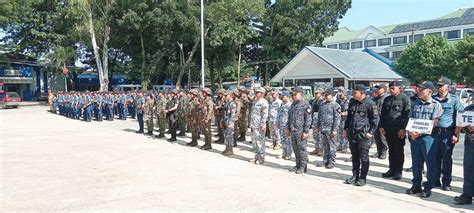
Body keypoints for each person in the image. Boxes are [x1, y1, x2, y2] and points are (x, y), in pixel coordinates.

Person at [406, 81, 442, 198]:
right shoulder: (415, 103)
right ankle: (416, 185)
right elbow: (410, 119)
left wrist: (420, 131)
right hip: (414, 138)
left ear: (430, 91)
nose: (419, 91)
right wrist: (410, 131)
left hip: (428, 138)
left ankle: (428, 187)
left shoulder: (436, 105)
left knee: (430, 163)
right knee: (416, 163)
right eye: (418, 88)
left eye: (422, 89)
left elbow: (435, 122)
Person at [343, 84, 379, 186]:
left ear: (362, 93)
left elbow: (375, 119)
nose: (353, 94)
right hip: (352, 132)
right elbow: (349, 117)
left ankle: (363, 178)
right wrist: (345, 129)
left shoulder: (370, 103)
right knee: (354, 156)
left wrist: (370, 132)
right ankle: (355, 176)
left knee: (364, 157)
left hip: (363, 134)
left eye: (355, 92)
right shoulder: (352, 102)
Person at [433, 76, 464, 191]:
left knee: (446, 158)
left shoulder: (454, 100)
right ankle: (434, 180)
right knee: (434, 157)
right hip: (434, 133)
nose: (439, 87)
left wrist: (456, 134)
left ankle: (446, 182)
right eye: (438, 85)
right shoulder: (433, 98)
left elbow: (460, 117)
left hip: (447, 133)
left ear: (448, 87)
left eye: (441, 85)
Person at [379, 81, 411, 180]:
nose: (391, 90)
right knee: (391, 150)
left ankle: (398, 171)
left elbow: (407, 115)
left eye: (393, 88)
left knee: (398, 151)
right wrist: (381, 126)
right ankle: (391, 169)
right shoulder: (387, 99)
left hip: (398, 129)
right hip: (388, 129)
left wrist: (403, 129)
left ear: (399, 88)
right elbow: (383, 114)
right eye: (390, 88)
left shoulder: (405, 99)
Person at [454, 89, 474, 205]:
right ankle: (467, 195)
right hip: (470, 143)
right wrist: (466, 127)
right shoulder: (468, 109)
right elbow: (461, 124)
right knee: (469, 168)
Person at [286, 86, 312, 174]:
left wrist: (306, 131)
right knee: (295, 148)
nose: (293, 96)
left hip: (301, 131)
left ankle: (303, 166)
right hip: (293, 130)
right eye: (293, 95)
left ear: (301, 94)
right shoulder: (293, 104)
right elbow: (289, 117)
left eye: (295, 94)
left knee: (302, 149)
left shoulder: (306, 105)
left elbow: (308, 119)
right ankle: (297, 164)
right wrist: (288, 128)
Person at [316, 88, 341, 169]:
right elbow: (319, 116)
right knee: (325, 146)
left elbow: (337, 119)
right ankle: (325, 160)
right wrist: (318, 126)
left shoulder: (336, 105)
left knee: (332, 146)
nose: (325, 96)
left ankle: (331, 162)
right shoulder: (322, 104)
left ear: (332, 96)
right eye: (325, 95)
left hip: (331, 129)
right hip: (323, 129)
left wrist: (334, 130)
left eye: (327, 95)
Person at [249, 87, 269, 165]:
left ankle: (261, 158)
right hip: (255, 124)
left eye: (258, 92)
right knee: (256, 142)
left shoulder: (263, 102)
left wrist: (263, 124)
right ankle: (257, 156)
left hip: (260, 125)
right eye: (256, 92)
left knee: (261, 142)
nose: (256, 93)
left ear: (262, 94)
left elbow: (265, 114)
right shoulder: (256, 101)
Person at [371, 85, 389, 159]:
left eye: (379, 88)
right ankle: (379, 151)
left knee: (382, 137)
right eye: (377, 88)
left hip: (383, 119)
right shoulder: (375, 99)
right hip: (375, 119)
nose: (377, 90)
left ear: (384, 89)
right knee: (376, 136)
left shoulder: (387, 98)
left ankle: (384, 152)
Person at [222, 90, 238, 156]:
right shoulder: (227, 103)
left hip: (230, 122)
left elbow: (233, 115)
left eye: (226, 95)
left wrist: (230, 123)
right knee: (226, 136)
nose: (224, 97)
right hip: (226, 121)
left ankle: (230, 150)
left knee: (230, 136)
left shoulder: (232, 104)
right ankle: (227, 148)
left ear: (230, 95)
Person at [277, 89, 292, 160]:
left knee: (288, 140)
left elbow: (291, 117)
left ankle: (289, 154)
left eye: (283, 96)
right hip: (281, 124)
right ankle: (284, 152)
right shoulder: (282, 104)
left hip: (287, 126)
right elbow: (279, 114)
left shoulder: (290, 105)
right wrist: (278, 122)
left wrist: (289, 127)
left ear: (287, 96)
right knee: (283, 140)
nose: (281, 97)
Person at [310, 88, 324, 156]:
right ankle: (317, 148)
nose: (315, 94)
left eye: (317, 93)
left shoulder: (322, 101)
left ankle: (321, 149)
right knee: (315, 135)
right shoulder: (314, 101)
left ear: (321, 94)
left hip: (319, 119)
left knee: (320, 135)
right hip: (314, 119)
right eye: (315, 93)